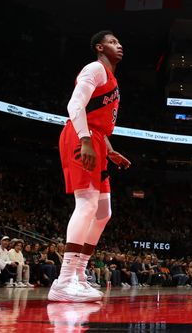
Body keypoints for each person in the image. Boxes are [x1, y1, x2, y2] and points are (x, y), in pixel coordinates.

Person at [49, 31, 131, 302]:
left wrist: (108, 150)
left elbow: (97, 118)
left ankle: (80, 275)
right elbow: (76, 104)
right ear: (99, 46)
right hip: (79, 134)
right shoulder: (95, 68)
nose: (119, 46)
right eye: (113, 42)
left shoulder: (112, 79)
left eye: (119, 43)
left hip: (96, 140)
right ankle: (63, 281)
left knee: (104, 212)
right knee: (87, 204)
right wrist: (85, 139)